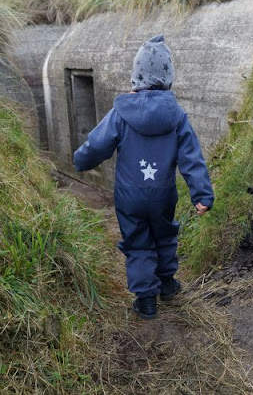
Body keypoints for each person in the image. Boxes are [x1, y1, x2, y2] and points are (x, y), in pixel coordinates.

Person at [73, 34, 214, 320]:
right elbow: (191, 158)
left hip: (129, 195)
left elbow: (98, 145)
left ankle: (146, 299)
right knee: (164, 234)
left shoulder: (120, 113)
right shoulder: (177, 116)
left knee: (138, 242)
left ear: (136, 77)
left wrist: (80, 160)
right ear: (168, 77)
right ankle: (167, 283)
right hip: (162, 193)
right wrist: (202, 194)